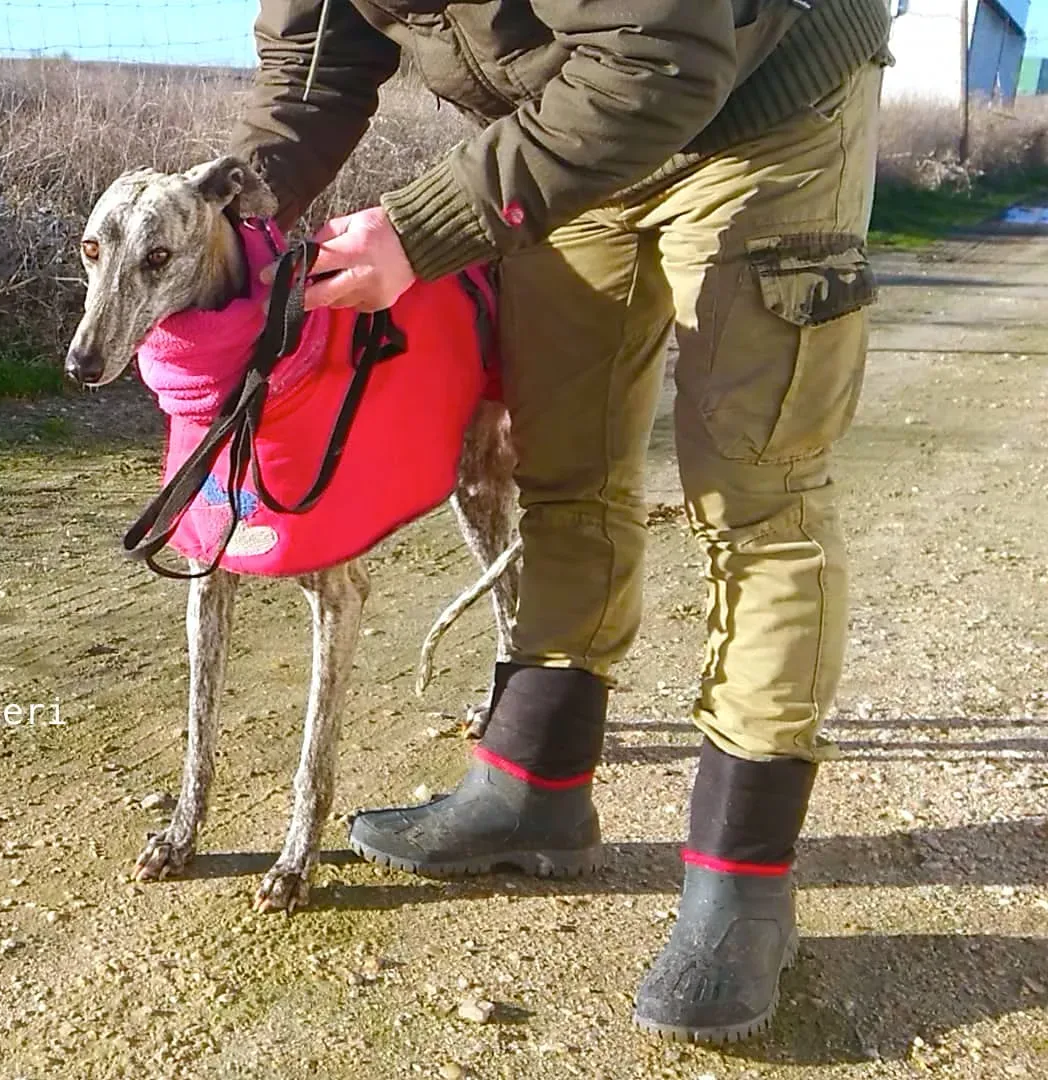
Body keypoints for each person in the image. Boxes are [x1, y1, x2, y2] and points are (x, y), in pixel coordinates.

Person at [229, 0, 892, 1041]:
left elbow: (663, 53)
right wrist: (229, 220)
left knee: (759, 490)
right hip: (576, 125)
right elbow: (314, 62)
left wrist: (422, 227)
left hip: (764, 106)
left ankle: (743, 887)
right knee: (563, 459)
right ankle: (532, 784)